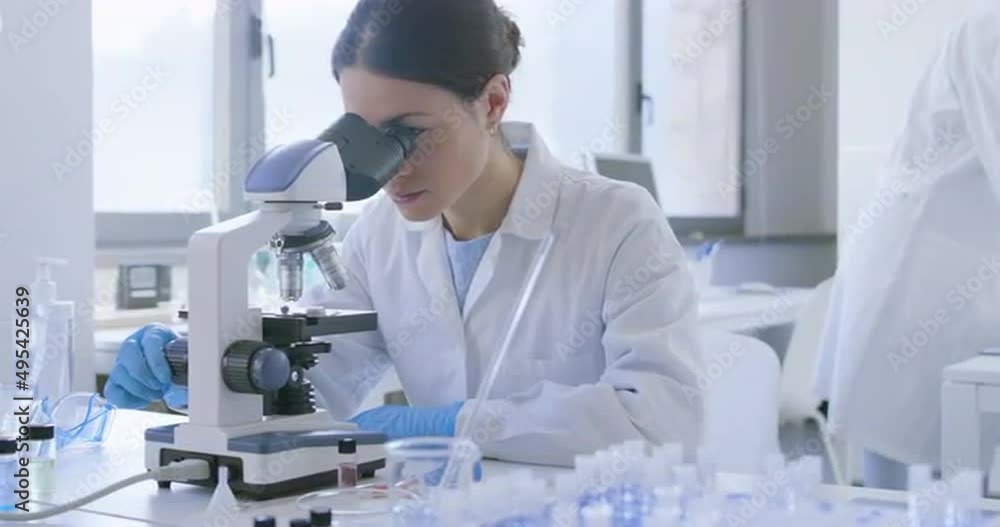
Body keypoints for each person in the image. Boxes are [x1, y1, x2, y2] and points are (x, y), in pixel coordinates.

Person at [103, 0, 704, 466]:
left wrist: (454, 424)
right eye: (365, 135)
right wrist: (195, 375)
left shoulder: (616, 221)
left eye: (410, 132)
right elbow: (313, 388)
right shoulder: (380, 235)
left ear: (492, 102)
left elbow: (658, 421)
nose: (391, 167)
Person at [815, 1, 1000, 489]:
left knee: (961, 474)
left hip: (963, 281)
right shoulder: (989, 32)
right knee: (899, 487)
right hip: (914, 276)